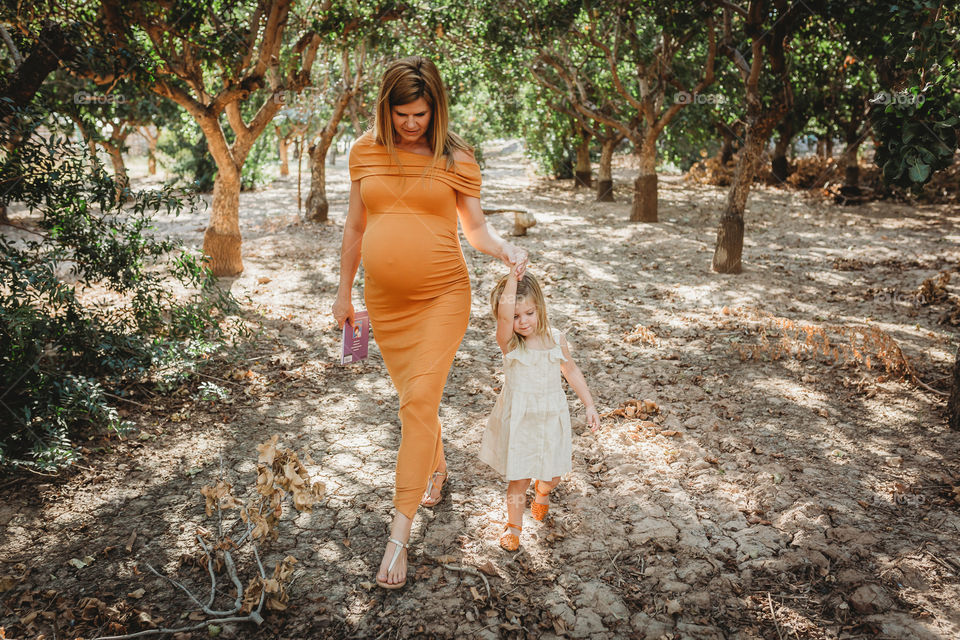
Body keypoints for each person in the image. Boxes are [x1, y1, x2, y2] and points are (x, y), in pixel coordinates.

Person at [332, 56, 528, 589]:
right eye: (401, 114)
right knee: (414, 403)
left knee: (418, 404)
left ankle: (398, 537)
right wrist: (343, 292)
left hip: (444, 296)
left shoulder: (456, 157)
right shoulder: (364, 151)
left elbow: (477, 229)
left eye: (420, 113)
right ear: (385, 110)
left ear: (435, 107)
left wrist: (505, 248)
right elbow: (354, 224)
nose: (411, 123)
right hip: (386, 306)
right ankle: (437, 467)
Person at [480, 264, 600, 551]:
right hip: (520, 421)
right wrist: (512, 277)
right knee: (518, 478)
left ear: (541, 308)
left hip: (550, 419)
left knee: (551, 476)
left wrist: (589, 404)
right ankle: (514, 527)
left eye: (529, 313)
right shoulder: (510, 344)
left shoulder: (556, 339)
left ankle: (543, 492)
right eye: (515, 316)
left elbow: (571, 371)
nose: (522, 322)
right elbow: (507, 315)